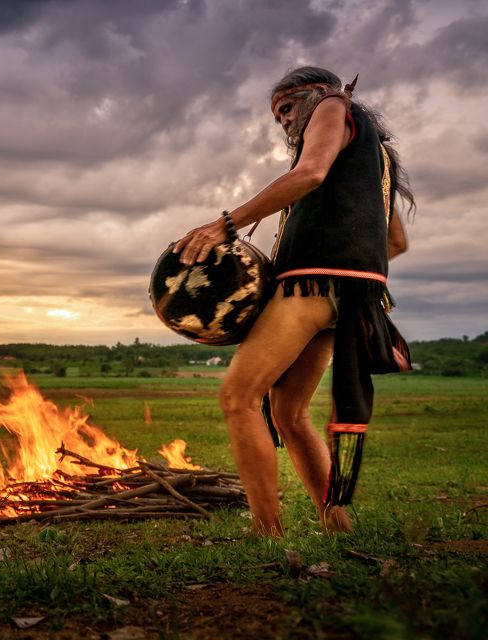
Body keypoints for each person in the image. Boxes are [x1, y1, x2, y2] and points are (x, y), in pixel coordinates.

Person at [173, 67, 414, 537]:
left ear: (317, 93)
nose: (282, 121)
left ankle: (267, 533)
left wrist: (225, 224)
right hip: (350, 296)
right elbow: (396, 242)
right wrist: (352, 267)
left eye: (286, 108)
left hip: (311, 286)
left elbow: (310, 173)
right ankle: (337, 525)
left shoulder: (333, 105)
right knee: (287, 411)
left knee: (238, 397)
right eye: (276, 115)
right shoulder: (376, 160)